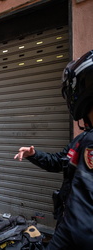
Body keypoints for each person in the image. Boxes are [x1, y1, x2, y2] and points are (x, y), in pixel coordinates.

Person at [14, 50, 93, 249]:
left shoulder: (88, 142)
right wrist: (34, 154)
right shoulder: (82, 139)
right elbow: (59, 161)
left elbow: (83, 215)